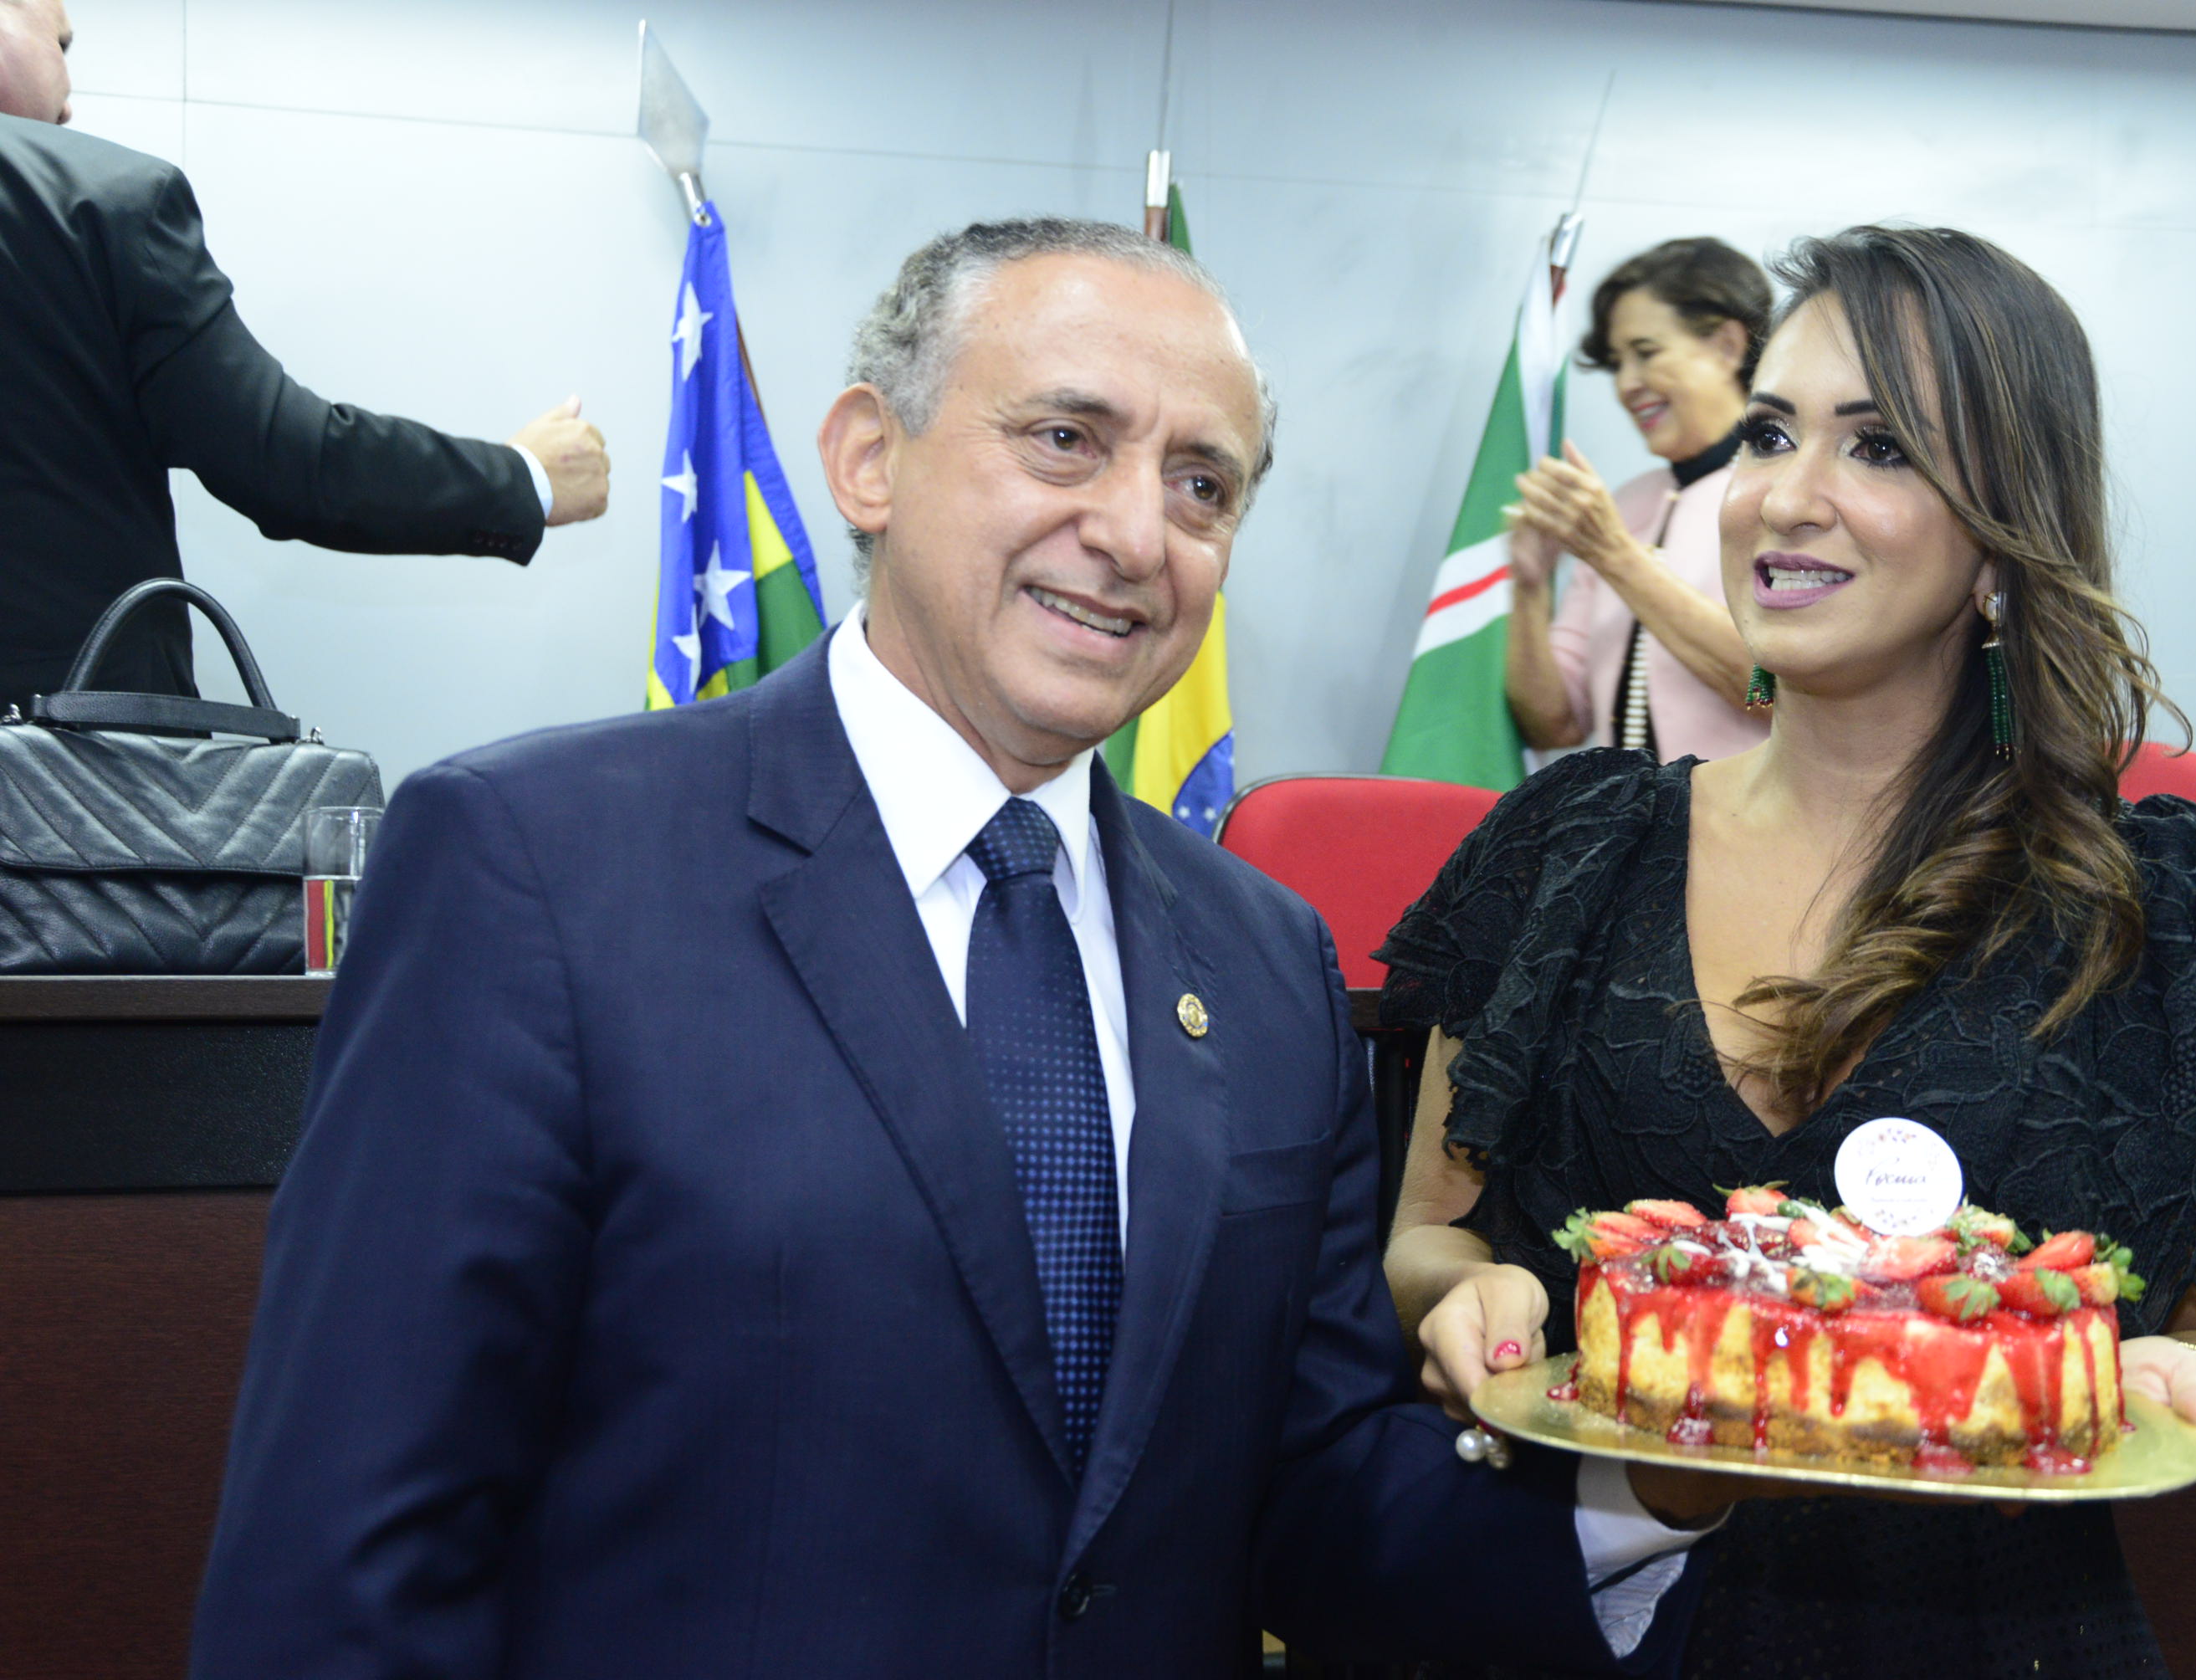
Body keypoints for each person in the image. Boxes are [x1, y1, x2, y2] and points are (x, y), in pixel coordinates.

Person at [188, 219, 1725, 1679]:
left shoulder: (1269, 965)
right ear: (869, 457)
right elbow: (354, 1539)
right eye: (1064, 438)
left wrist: (1651, 1486)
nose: (1134, 532)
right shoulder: (534, 865)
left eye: (1202, 484)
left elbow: (1305, 1502)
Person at [1382, 225, 2196, 1677]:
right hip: (1588, 1618)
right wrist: (1466, 1297)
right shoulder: (1568, 851)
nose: (1784, 496)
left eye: (1881, 448)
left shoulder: (2163, 906)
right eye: (1769, 432)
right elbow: (1429, 1233)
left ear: (2003, 537)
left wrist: (2191, 1393)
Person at [0, 0, 610, 715]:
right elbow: (287, 461)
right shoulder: (99, 201)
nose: (71, 99)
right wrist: (524, 479)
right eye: (62, 43)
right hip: (56, 757)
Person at [1504, 238, 1770, 763]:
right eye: (1617, 364)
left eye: (1646, 353)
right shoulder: (1624, 507)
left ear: (1727, 347)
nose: (1626, 385)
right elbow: (1554, 725)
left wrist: (1613, 554)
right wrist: (1530, 585)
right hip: (1627, 813)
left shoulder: (1789, 498)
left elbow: (1775, 693)